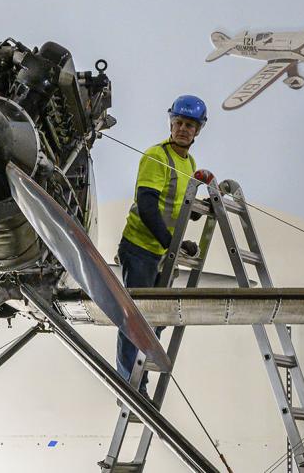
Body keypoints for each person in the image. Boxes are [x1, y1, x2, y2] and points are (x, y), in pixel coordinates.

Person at [115, 94, 211, 395]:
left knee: (158, 318)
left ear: (198, 130)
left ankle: (138, 377)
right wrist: (173, 244)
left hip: (162, 251)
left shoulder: (190, 162)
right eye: (179, 123)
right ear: (171, 123)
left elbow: (177, 206)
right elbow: (147, 207)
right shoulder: (156, 156)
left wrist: (198, 212)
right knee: (135, 321)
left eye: (189, 125)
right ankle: (130, 389)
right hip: (140, 249)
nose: (183, 129)